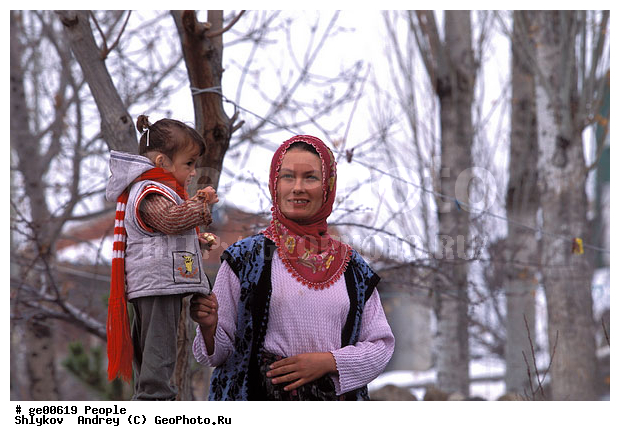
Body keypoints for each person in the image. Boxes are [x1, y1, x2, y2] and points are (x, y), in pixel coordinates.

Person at [190, 134, 394, 400]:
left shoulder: (353, 269)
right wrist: (208, 326)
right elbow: (218, 353)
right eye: (287, 176)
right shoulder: (245, 259)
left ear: (327, 186)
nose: (297, 187)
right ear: (275, 185)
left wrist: (327, 362)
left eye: (310, 177)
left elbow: (380, 346)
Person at [106, 115, 219, 400]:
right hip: (157, 284)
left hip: (156, 282)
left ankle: (151, 394)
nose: (193, 172)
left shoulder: (154, 188)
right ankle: (156, 400)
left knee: (153, 345)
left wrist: (197, 242)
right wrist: (201, 203)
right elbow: (170, 220)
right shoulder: (151, 190)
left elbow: (163, 236)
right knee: (159, 346)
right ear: (162, 162)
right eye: (189, 163)